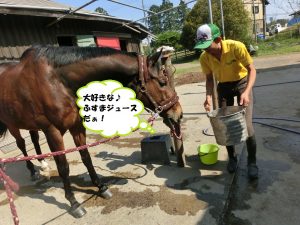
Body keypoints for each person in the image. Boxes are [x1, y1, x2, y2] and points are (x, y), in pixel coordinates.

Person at [194, 23, 258, 179]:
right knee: (225, 126)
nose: (206, 49)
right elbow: (209, 79)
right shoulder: (205, 57)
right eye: (203, 47)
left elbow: (252, 70)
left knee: (248, 128)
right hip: (223, 87)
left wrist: (247, 92)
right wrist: (208, 97)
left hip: (242, 83)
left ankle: (252, 162)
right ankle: (232, 158)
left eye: (208, 45)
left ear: (218, 39)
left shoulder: (236, 47)